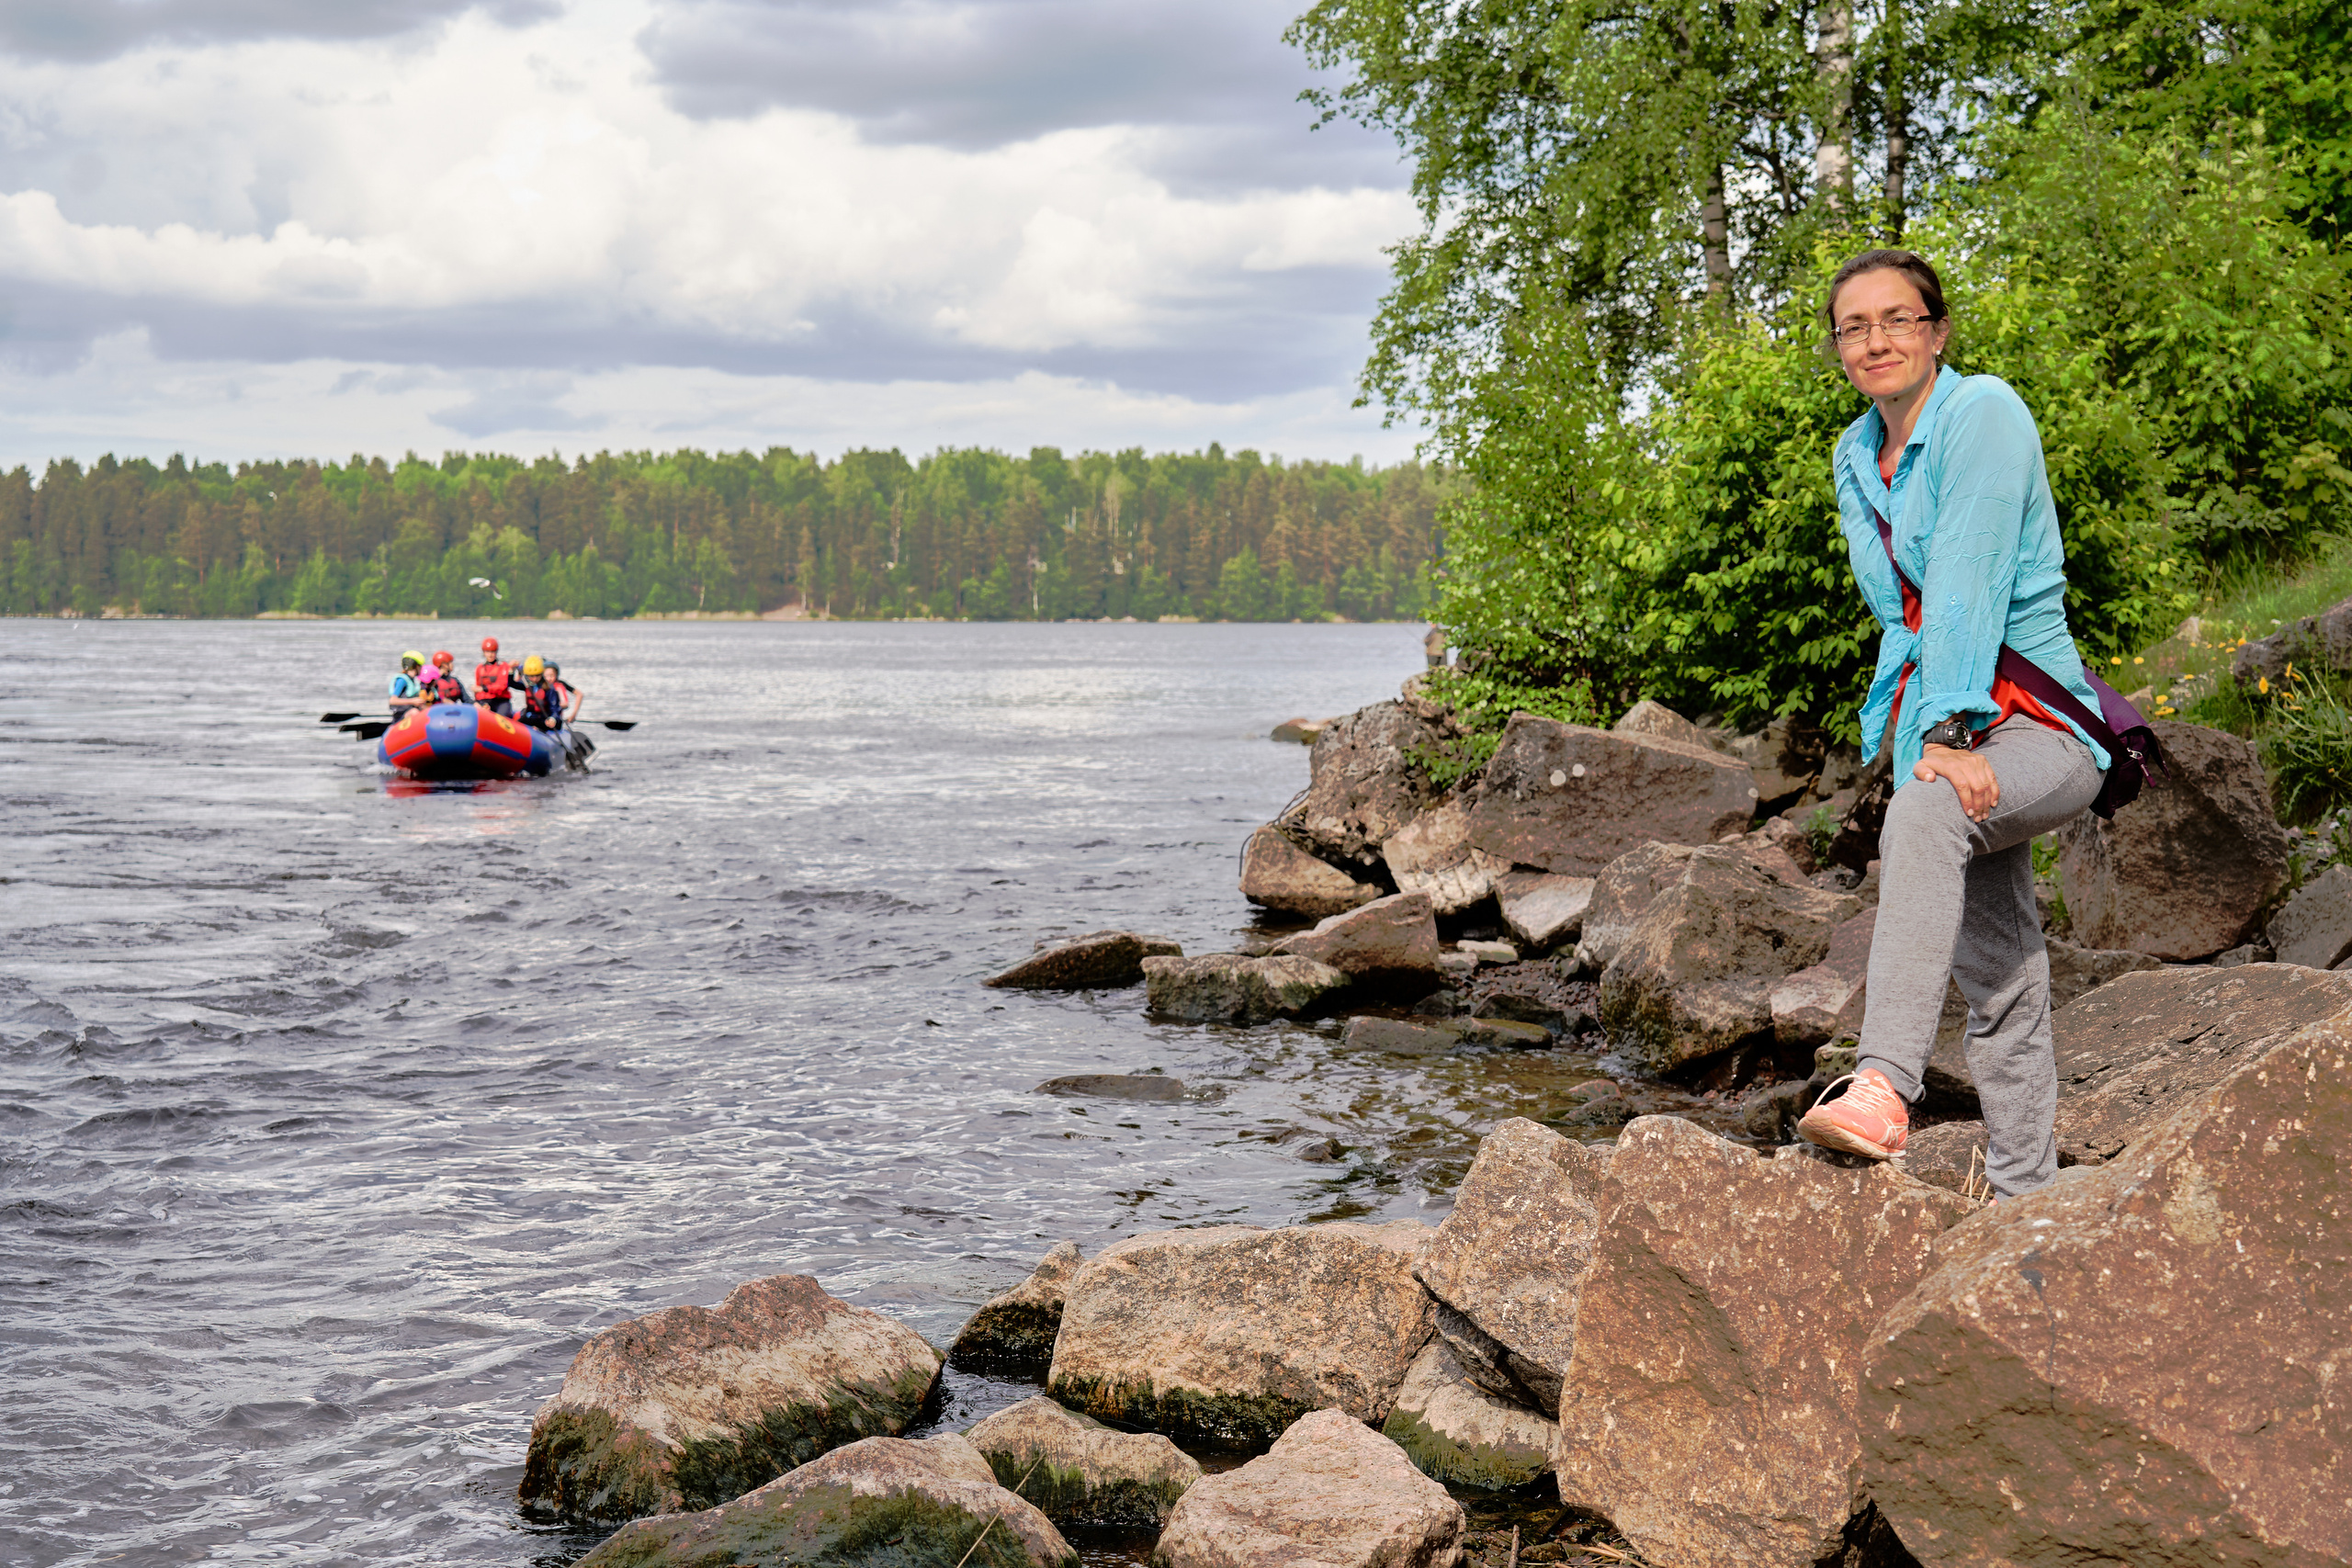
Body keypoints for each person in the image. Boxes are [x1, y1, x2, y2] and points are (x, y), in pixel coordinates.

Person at [1794, 249, 2109, 1201]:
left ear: (1937, 333)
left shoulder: (1984, 413)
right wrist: (1905, 749)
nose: (1876, 340)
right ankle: (2026, 1194)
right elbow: (1902, 619)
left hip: (2036, 724)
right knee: (1998, 973)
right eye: (1855, 325)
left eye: (1898, 319)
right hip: (1944, 721)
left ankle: (1885, 1083)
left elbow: (1969, 579)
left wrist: (1952, 738)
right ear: (1838, 348)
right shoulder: (1856, 453)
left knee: (1929, 815)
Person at [473, 637, 516, 716]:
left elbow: (502, 686)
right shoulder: (480, 668)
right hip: (485, 701)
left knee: (501, 717)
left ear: (496, 652)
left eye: (492, 652)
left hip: (501, 701)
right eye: (487, 652)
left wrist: (484, 688)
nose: (490, 655)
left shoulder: (503, 666)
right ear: (484, 653)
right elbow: (478, 691)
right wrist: (483, 704)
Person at [517, 655, 563, 730]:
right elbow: (511, 683)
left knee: (544, 723)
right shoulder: (527, 684)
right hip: (533, 717)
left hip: (545, 718)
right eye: (531, 676)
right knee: (522, 721)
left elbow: (555, 708)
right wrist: (511, 671)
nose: (534, 679)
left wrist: (553, 718)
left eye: (537, 676)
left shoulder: (549, 688)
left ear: (541, 674)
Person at [389, 651, 430, 716]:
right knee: (414, 712)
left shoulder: (414, 681)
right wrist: (412, 701)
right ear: (416, 666)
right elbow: (392, 700)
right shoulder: (402, 680)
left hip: (411, 712)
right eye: (420, 666)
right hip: (401, 717)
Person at [543, 660, 582, 726]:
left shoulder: (560, 685)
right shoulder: (540, 685)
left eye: (552, 676)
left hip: (555, 717)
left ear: (556, 675)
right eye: (546, 676)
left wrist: (573, 715)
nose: (549, 679)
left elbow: (579, 694)